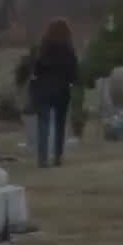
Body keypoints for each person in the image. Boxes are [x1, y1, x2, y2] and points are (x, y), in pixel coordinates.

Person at [30, 19, 80, 167]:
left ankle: (43, 158)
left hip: (43, 89)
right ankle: (58, 156)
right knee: (60, 124)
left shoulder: (43, 48)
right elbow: (74, 73)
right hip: (62, 90)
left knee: (43, 124)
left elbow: (36, 69)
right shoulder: (69, 50)